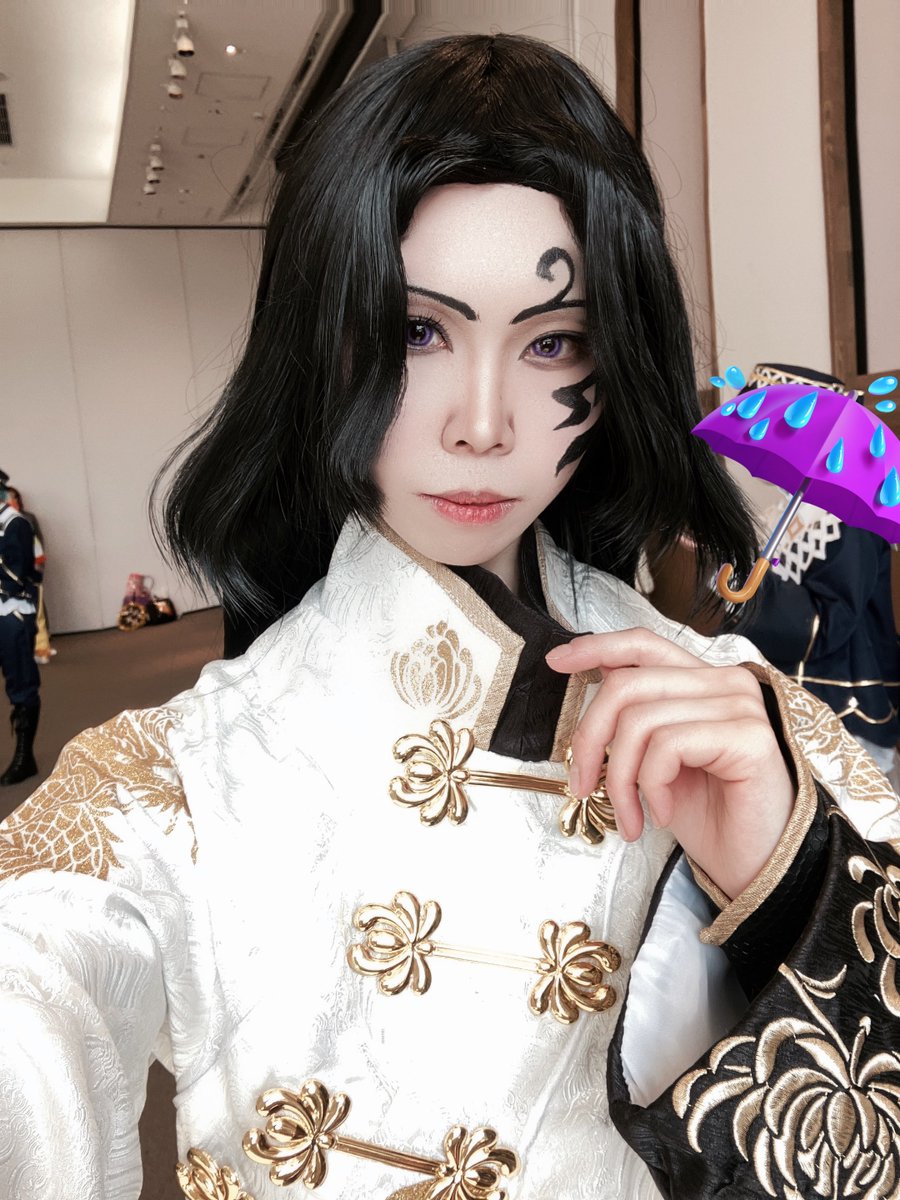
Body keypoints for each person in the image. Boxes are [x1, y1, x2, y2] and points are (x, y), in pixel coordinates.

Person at [1, 34, 899, 1200]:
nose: (483, 424)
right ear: (321, 347)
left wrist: (788, 878)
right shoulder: (177, 777)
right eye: (417, 333)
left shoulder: (743, 720)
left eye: (553, 342)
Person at [735, 365, 900, 783]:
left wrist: (748, 584)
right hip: (790, 697)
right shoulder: (783, 511)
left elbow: (829, 624)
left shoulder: (850, 512)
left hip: (841, 708)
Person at [0, 470, 41, 785]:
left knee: (21, 682)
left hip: (11, 613)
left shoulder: (15, 524)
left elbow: (18, 575)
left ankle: (25, 757)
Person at [6, 484, 55, 664]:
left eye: (12, 498)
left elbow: (37, 548)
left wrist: (37, 572)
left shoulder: (25, 521)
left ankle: (40, 649)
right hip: (7, 578)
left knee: (35, 612)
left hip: (27, 575)